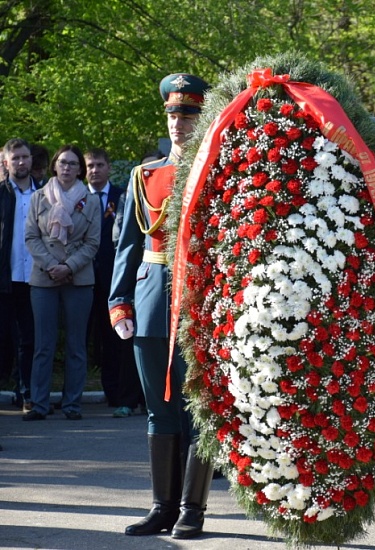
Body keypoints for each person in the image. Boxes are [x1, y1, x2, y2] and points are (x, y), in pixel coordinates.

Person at [109, 73, 214, 539]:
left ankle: (193, 510)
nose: (179, 122)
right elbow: (128, 246)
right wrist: (119, 302)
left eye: (189, 114)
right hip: (152, 298)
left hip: (200, 301)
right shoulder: (144, 174)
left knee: (200, 410)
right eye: (173, 114)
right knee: (159, 409)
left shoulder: (216, 171)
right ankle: (162, 507)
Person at [23, 144, 101, 421]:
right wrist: (51, 265)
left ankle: (72, 405)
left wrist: (68, 266)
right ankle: (40, 404)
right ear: (54, 166)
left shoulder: (90, 201)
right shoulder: (38, 197)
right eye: (62, 162)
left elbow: (93, 243)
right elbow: (31, 237)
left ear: (80, 169)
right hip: (44, 278)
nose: (67, 168)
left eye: (72, 164)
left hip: (78, 279)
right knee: (43, 345)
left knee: (76, 345)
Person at [84, 149, 125, 408]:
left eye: (99, 165)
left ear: (108, 167)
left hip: (112, 277)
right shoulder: (76, 196)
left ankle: (115, 393)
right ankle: (73, 396)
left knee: (113, 339)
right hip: (81, 277)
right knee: (83, 338)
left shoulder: (121, 196)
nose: (95, 170)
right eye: (90, 165)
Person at [0, 139, 38, 410]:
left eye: (25, 157)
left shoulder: (46, 193)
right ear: (6, 163)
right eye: (15, 158)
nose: (21, 162)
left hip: (35, 279)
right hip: (5, 279)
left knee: (29, 340)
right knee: (3, 339)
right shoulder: (1, 193)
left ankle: (26, 393)